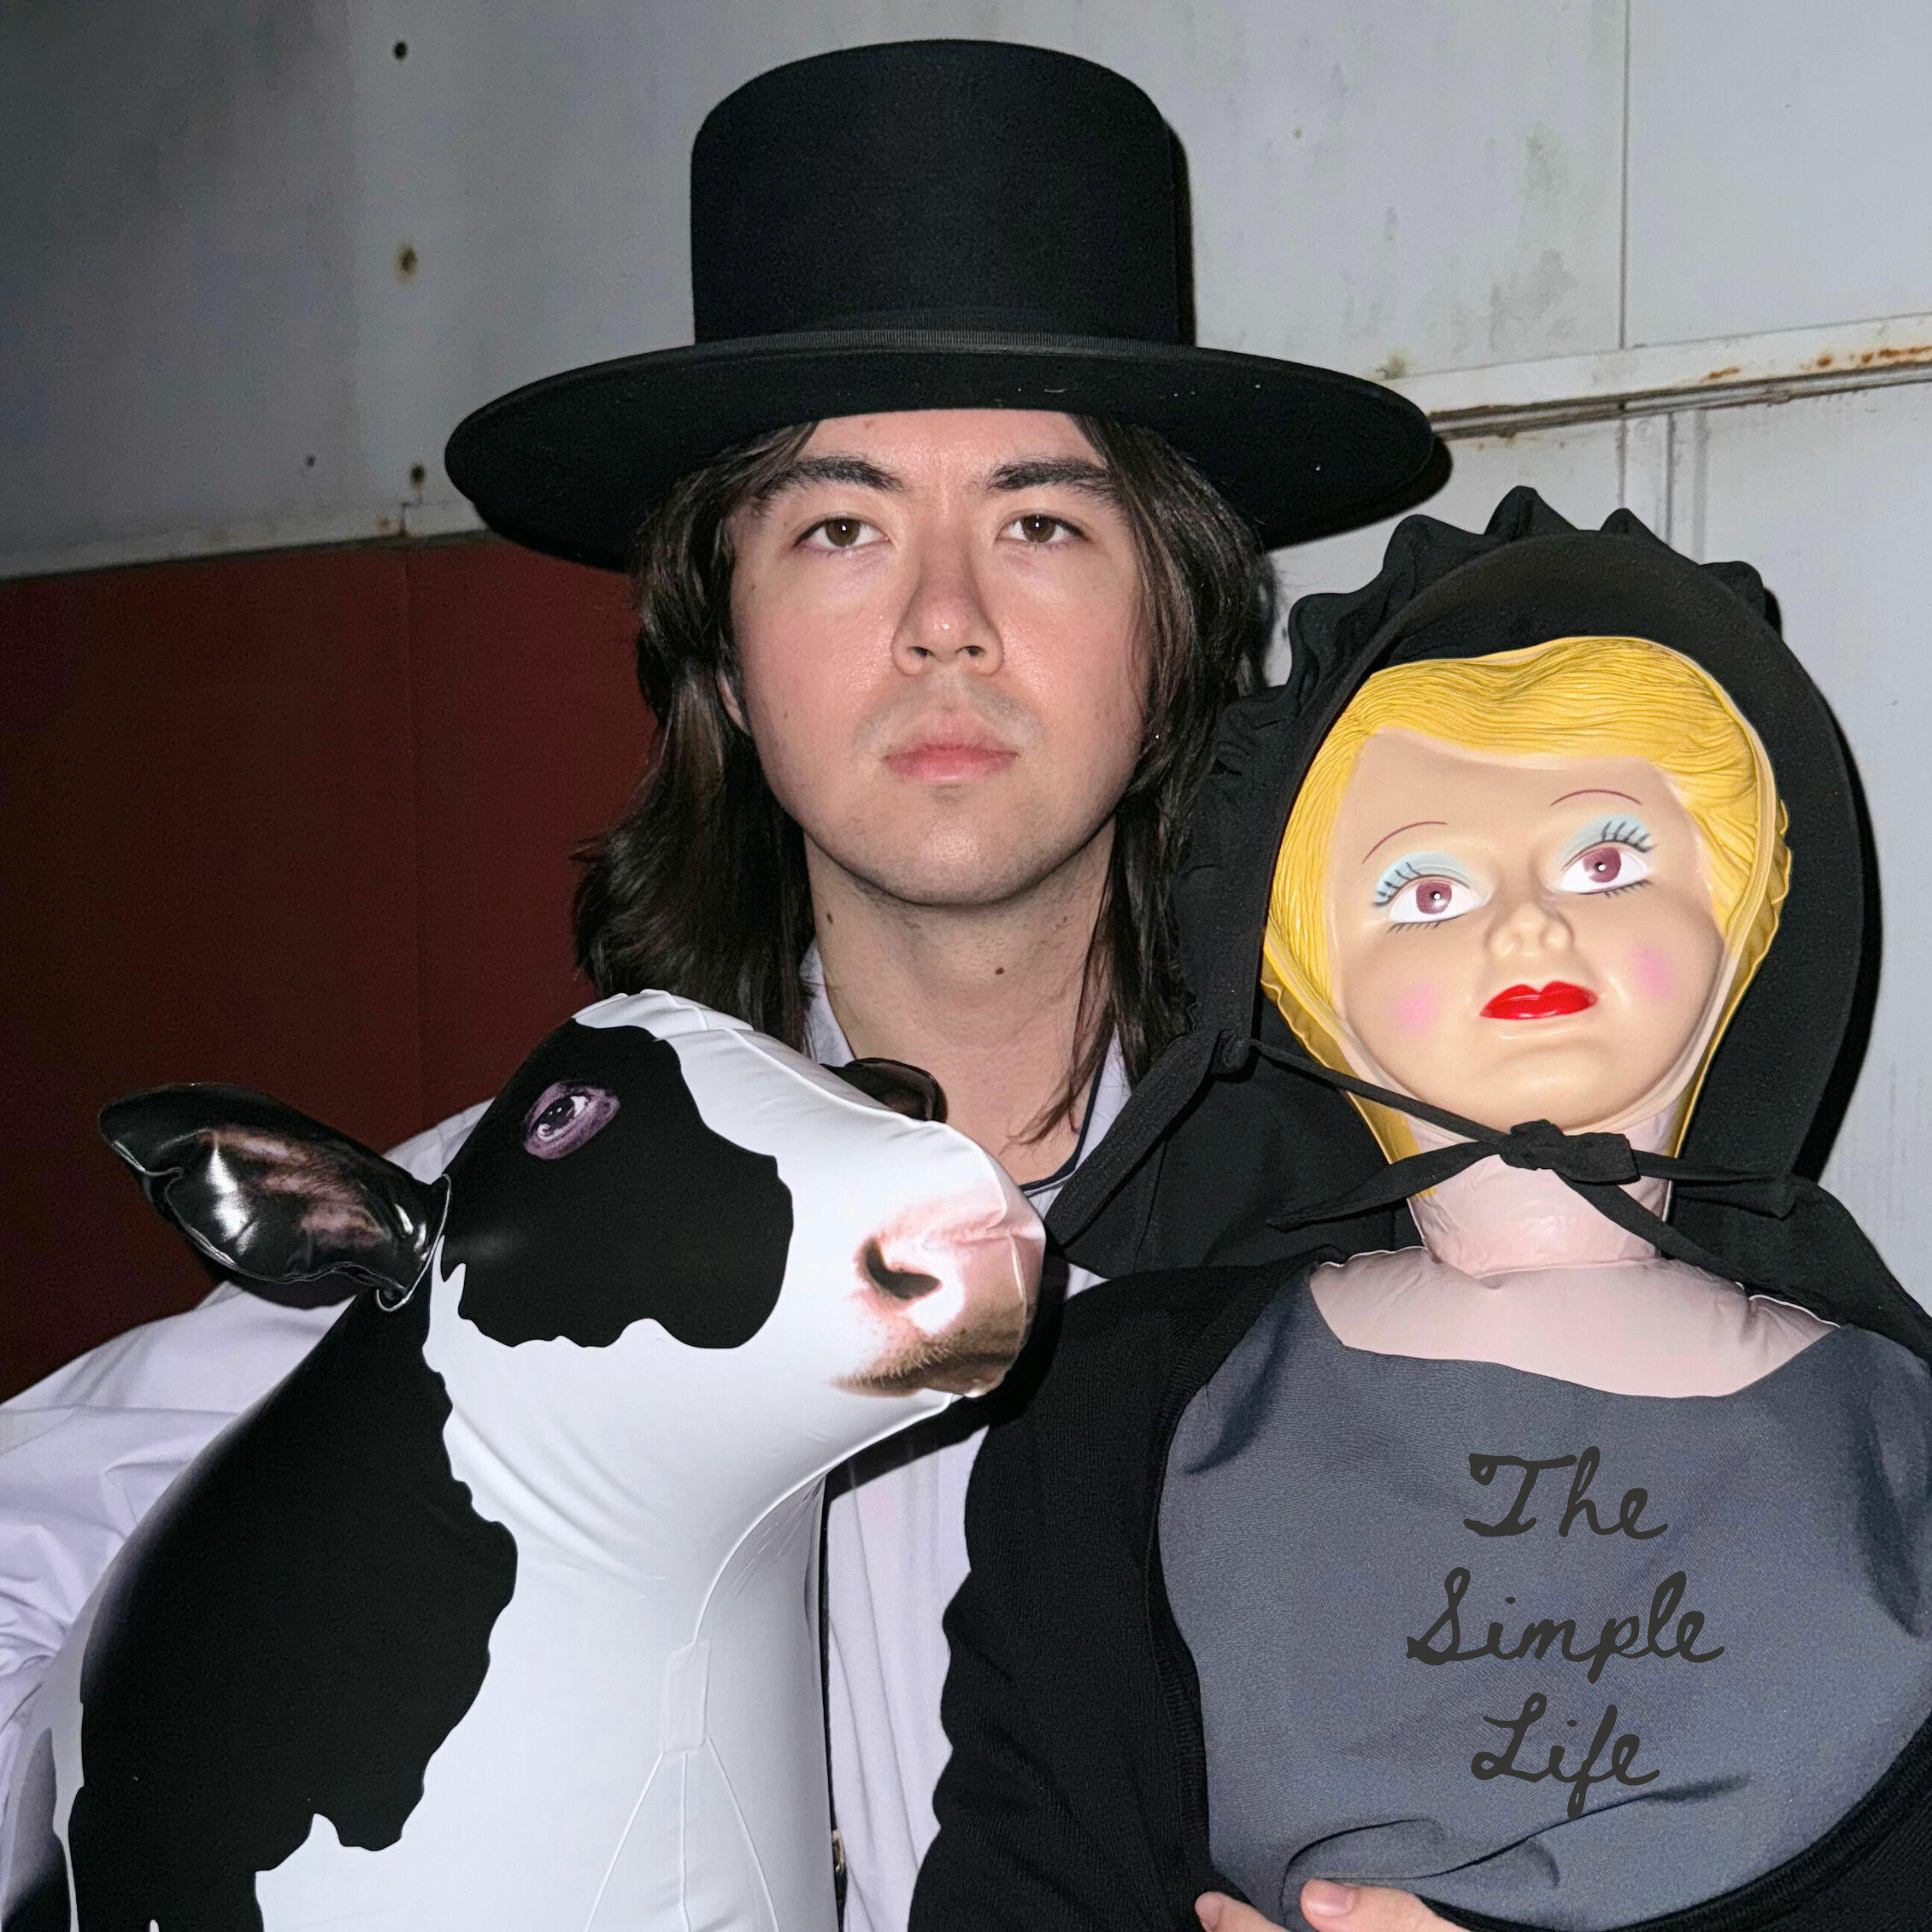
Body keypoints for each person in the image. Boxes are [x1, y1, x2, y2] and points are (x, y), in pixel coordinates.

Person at [0, 38, 1437, 1932]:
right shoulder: (502, 1258)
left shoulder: (1407, 1238)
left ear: (1175, 631)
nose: (943, 620)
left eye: (1042, 522)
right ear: (728, 657)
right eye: (841, 527)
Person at [914, 492, 1932, 1931]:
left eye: (1604, 860)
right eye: (1426, 886)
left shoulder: (1903, 1452)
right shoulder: (1117, 1416)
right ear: (1303, 967)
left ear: (1743, 911)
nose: (1526, 924)